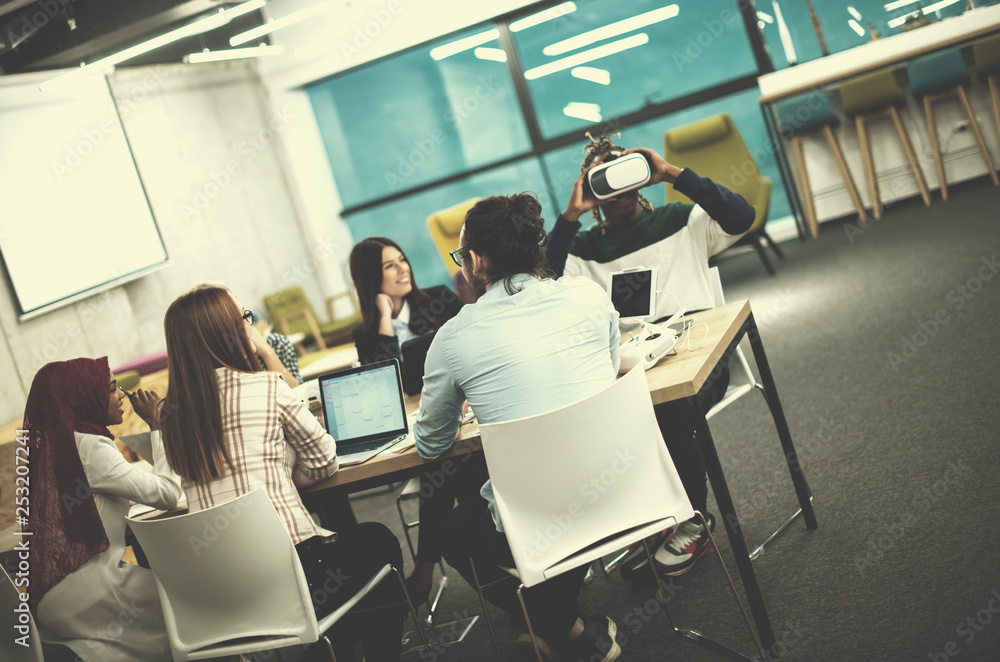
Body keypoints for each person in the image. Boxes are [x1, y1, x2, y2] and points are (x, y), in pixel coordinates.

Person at [414, 193, 623, 662]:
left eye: (462, 255)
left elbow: (430, 445)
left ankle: (563, 627)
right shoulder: (588, 293)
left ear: (478, 260)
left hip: (542, 516)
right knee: (506, 487)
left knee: (452, 529)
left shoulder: (453, 338)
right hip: (622, 485)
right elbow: (606, 378)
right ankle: (561, 618)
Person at [546, 132, 756, 579]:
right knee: (600, 420)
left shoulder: (682, 220)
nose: (618, 189)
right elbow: (542, 283)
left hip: (701, 352)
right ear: (591, 190)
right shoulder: (584, 252)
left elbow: (742, 216)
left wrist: (671, 174)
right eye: (604, 181)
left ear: (639, 178)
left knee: (667, 413)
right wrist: (570, 215)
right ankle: (659, 521)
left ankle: (689, 521)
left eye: (625, 173)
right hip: (628, 363)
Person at [159, 284, 405, 662]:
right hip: (293, 579)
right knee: (378, 540)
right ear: (231, 332)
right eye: (245, 317)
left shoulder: (171, 417)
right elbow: (326, 461)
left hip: (222, 596)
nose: (251, 324)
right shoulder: (267, 388)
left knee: (343, 552)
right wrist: (281, 467)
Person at [349, 236, 479, 605]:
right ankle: (493, 556)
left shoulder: (437, 298)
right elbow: (382, 383)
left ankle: (422, 573)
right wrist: (384, 321)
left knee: (441, 469)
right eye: (389, 265)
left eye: (402, 260)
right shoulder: (367, 331)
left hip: (462, 408)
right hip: (418, 422)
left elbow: (469, 346)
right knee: (446, 468)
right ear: (370, 277)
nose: (403, 268)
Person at [25, 357, 182, 662]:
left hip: (55, 601)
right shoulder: (89, 448)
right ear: (84, 397)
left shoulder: (58, 445)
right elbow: (168, 493)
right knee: (191, 596)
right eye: (110, 388)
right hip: (93, 595)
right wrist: (158, 426)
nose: (122, 394)